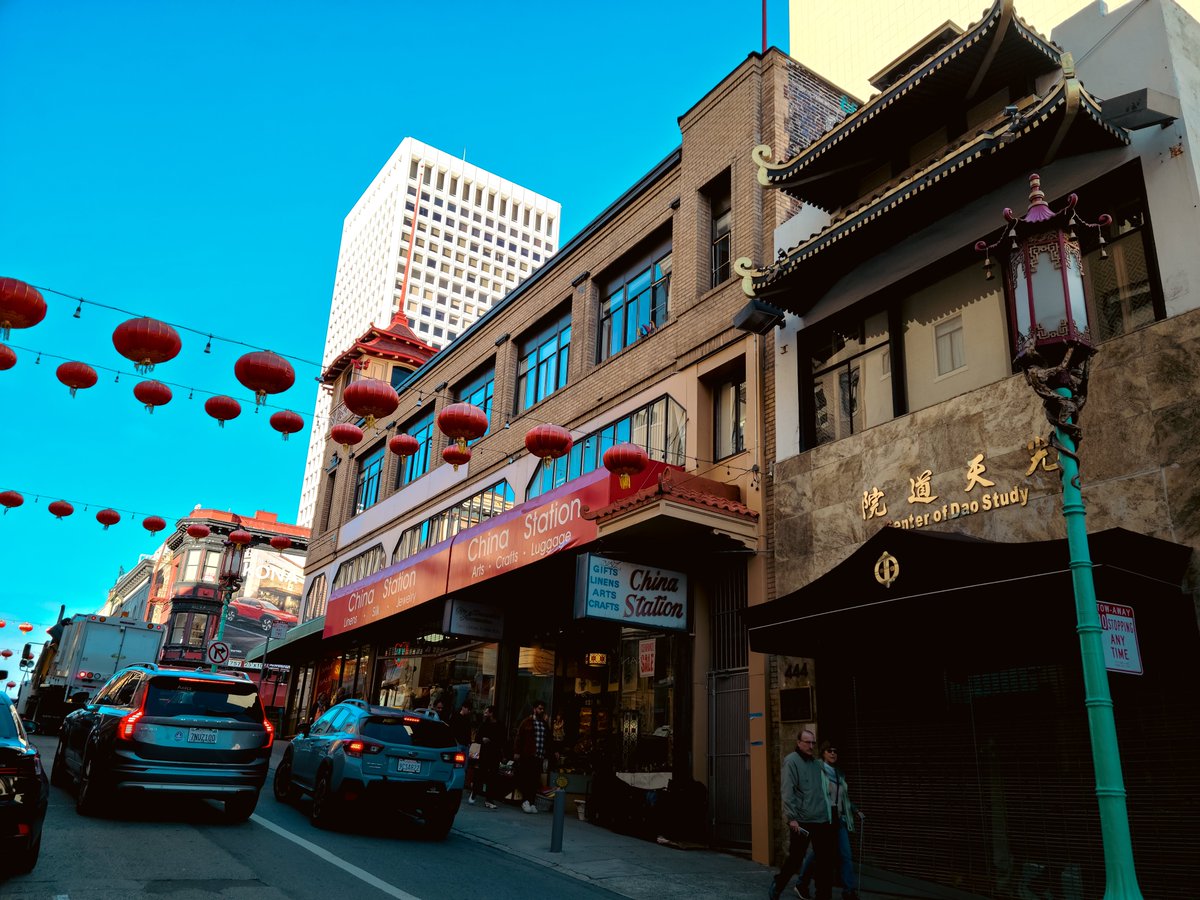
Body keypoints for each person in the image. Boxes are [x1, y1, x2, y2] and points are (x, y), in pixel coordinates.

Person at [769, 729, 837, 900]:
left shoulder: (816, 764)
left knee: (825, 861)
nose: (811, 746)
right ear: (799, 743)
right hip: (801, 821)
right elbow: (787, 791)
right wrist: (792, 818)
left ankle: (824, 896)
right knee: (796, 858)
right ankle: (779, 884)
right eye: (807, 742)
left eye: (813, 742)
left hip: (821, 819)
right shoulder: (791, 761)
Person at [796, 742, 862, 900]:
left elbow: (843, 797)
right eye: (829, 750)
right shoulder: (816, 771)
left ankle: (849, 891)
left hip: (838, 819)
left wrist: (855, 809)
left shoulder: (839, 773)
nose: (833, 753)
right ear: (823, 753)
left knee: (845, 855)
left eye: (835, 751)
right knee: (817, 854)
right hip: (823, 820)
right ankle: (801, 883)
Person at [513, 699, 553, 814]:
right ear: (534, 709)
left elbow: (548, 740)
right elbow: (519, 737)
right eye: (540, 708)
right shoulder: (527, 722)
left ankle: (531, 802)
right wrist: (517, 752)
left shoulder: (544, 724)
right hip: (528, 755)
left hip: (539, 756)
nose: (542, 711)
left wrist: (550, 753)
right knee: (527, 778)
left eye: (543, 709)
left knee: (535, 780)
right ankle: (525, 801)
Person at [474, 704, 506, 809]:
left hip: (495, 754)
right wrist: (482, 739)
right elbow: (477, 737)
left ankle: (489, 799)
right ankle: (474, 792)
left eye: (487, 712)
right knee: (481, 773)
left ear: (492, 713)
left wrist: (493, 743)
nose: (485, 714)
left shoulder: (500, 725)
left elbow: (503, 740)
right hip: (485, 753)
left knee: (492, 776)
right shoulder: (484, 724)